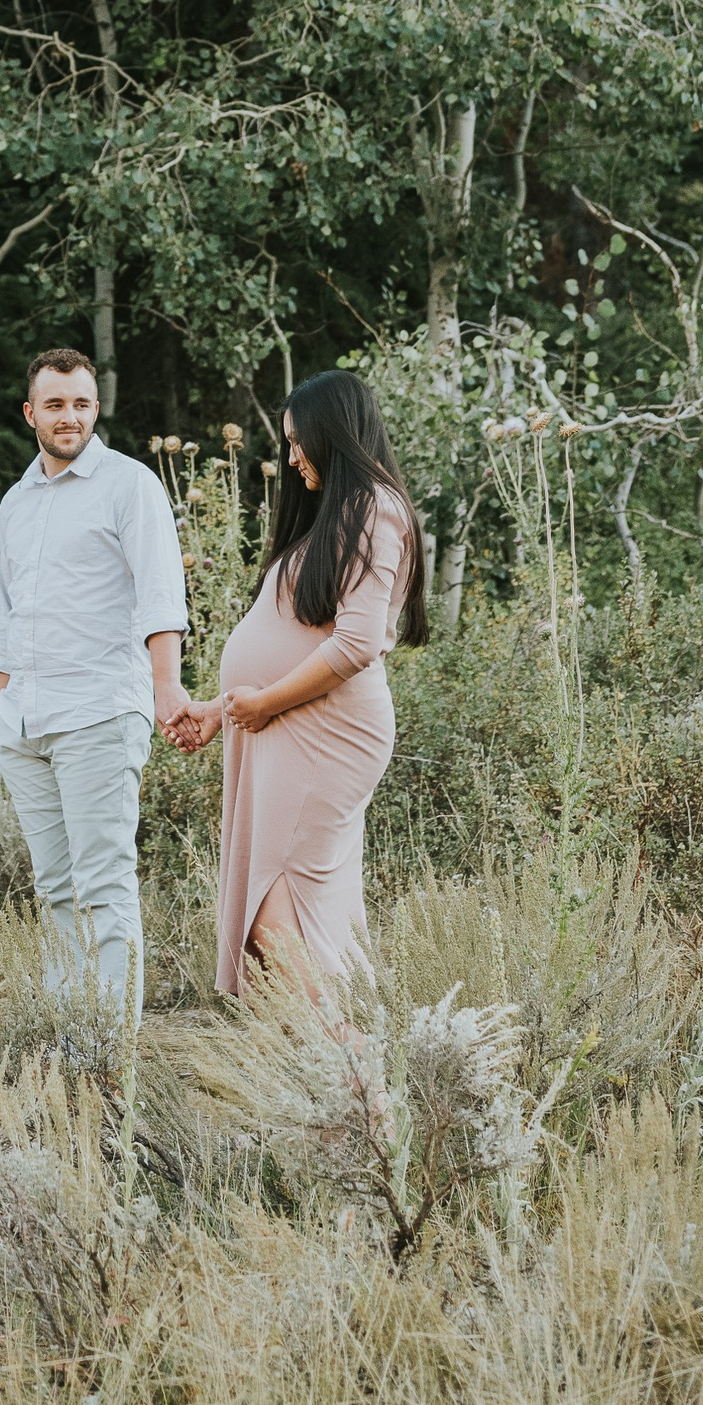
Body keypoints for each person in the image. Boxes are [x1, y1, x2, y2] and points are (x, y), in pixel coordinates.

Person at [168, 367, 428, 997]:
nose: (290, 459)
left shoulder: (377, 510)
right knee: (290, 908)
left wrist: (263, 703)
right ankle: (339, 1064)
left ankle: (346, 1059)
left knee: (271, 909)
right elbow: (296, 640)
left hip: (326, 732)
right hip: (285, 724)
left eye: (295, 442)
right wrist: (222, 707)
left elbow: (358, 641)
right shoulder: (335, 516)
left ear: (332, 434)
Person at [0, 346, 194, 1015]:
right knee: (53, 891)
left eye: (81, 403)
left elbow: (163, 595)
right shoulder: (16, 503)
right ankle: (71, 1042)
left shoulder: (130, 484)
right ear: (31, 413)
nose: (68, 415)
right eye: (55, 404)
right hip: (25, 725)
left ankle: (112, 1061)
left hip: (99, 713)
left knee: (104, 886)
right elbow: (7, 612)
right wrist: (2, 707)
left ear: (96, 409)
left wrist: (167, 690)